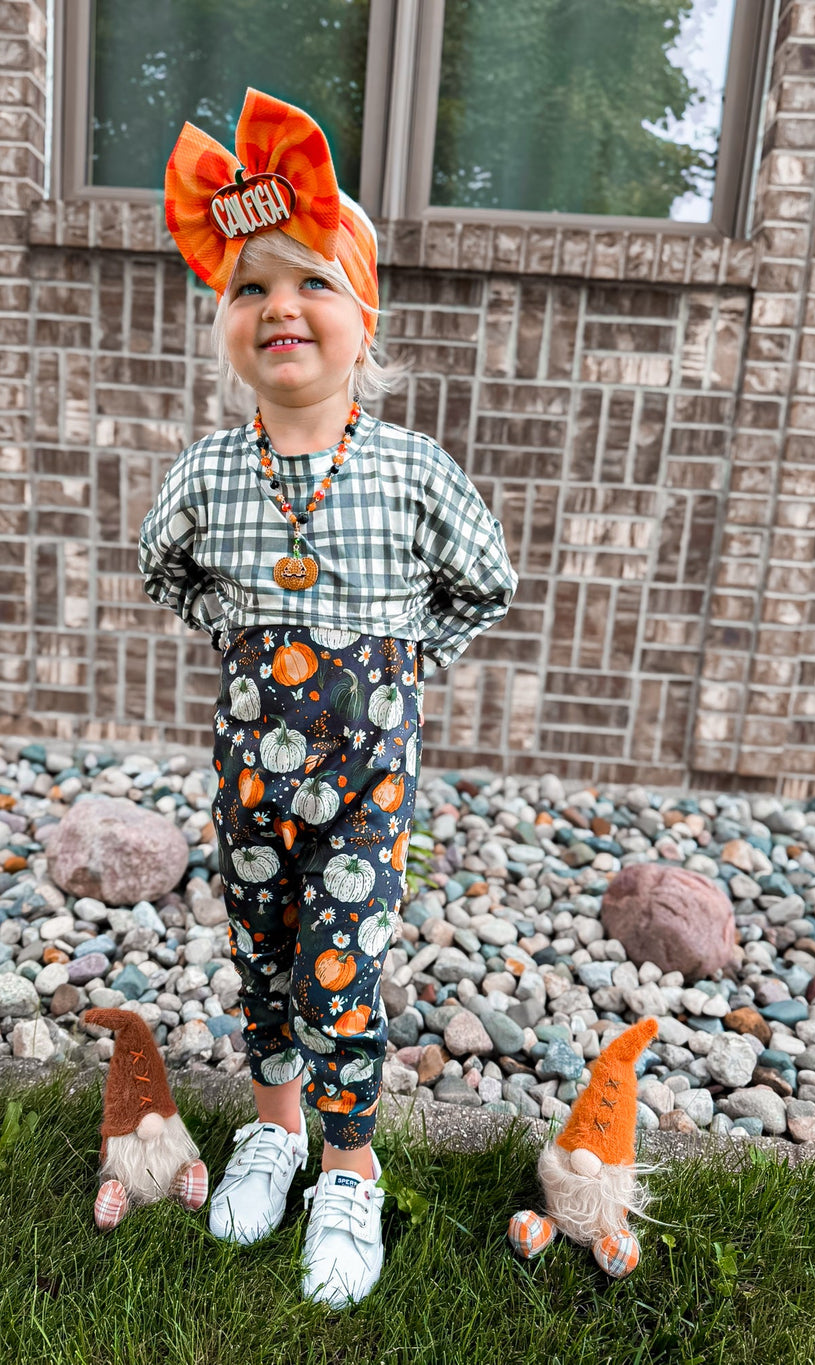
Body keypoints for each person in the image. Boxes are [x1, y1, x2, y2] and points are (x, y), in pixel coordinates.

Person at [139, 88, 517, 1308]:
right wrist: (233, 633)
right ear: (225, 324)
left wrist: (406, 661)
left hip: (365, 786)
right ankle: (275, 1127)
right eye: (248, 288)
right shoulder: (208, 472)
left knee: (338, 975)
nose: (278, 308)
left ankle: (348, 1172)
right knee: (261, 957)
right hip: (250, 779)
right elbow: (164, 568)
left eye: (311, 281)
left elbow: (487, 581)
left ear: (364, 316)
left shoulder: (409, 470)